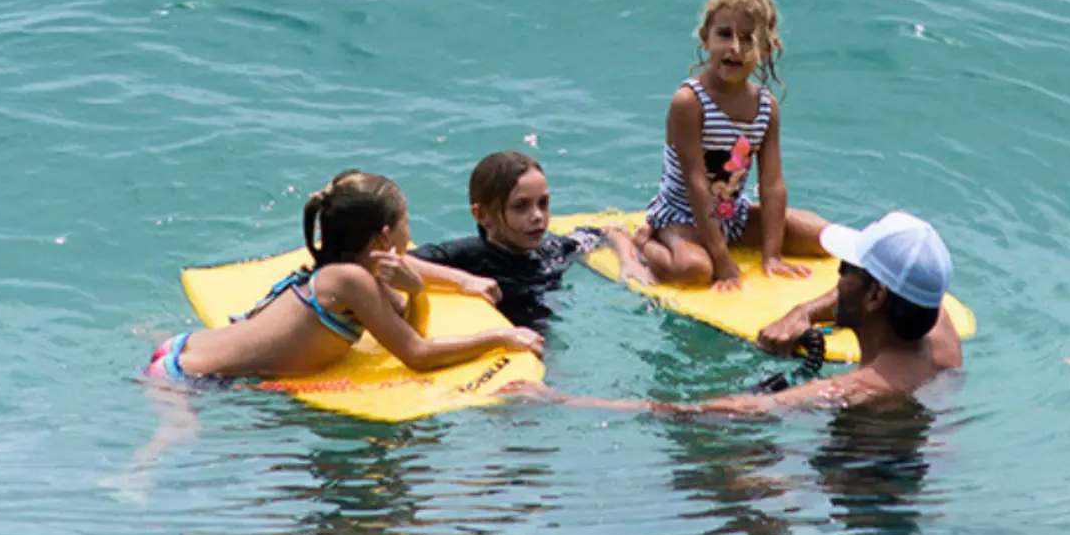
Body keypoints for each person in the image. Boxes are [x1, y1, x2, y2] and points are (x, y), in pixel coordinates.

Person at [501, 210, 961, 414]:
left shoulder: (859, 392)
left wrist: (564, 401)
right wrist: (804, 312)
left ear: (877, 297)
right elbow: (916, 289)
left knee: (733, 481)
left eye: (844, 270)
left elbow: (721, 410)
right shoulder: (939, 336)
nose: (835, 280)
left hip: (865, 494)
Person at [141, 169, 544, 384]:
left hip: (187, 347)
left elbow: (406, 330)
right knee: (166, 445)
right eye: (406, 222)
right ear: (383, 237)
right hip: (188, 375)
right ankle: (131, 479)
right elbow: (417, 355)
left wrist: (426, 290)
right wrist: (501, 336)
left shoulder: (353, 273)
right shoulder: (350, 281)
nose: (411, 232)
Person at [637, 0, 829, 291]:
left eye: (748, 38)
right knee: (696, 270)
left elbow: (771, 184)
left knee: (821, 238)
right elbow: (697, 185)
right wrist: (722, 261)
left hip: (731, 216)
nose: (735, 48)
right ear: (705, 39)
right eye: (724, 34)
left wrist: (772, 255)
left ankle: (722, 244)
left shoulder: (766, 107)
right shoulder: (689, 102)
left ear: (767, 48)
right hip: (681, 218)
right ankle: (642, 242)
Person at [404, 150, 654, 332]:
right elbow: (396, 261)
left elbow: (606, 231)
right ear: (481, 215)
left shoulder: (551, 252)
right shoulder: (472, 256)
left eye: (543, 203)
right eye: (521, 206)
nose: (537, 216)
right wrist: (464, 280)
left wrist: (629, 262)